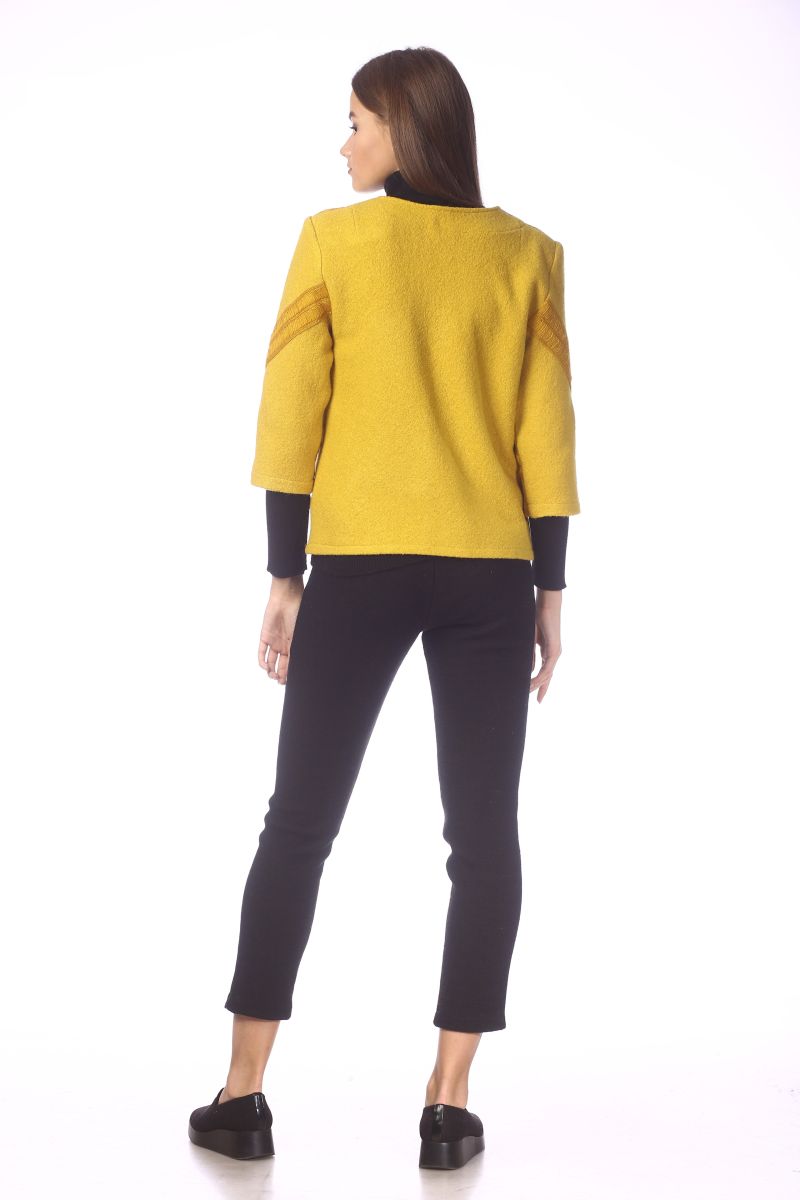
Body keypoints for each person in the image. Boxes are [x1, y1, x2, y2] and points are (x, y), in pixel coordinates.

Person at [188, 46, 580, 1171]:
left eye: (356, 120)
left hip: (358, 566)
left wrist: (285, 574)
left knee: (298, 825)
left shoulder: (332, 242)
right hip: (490, 571)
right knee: (485, 836)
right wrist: (549, 588)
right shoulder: (527, 256)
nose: (343, 142)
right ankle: (448, 1105)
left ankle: (241, 1095)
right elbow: (545, 434)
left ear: (404, 126)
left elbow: (290, 416)